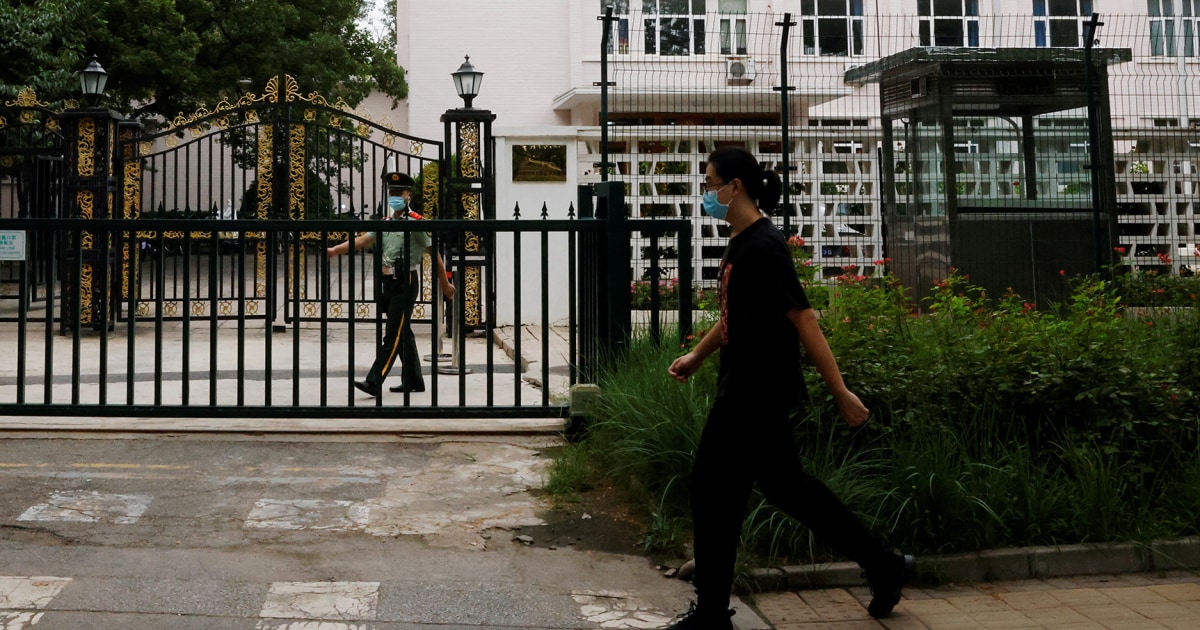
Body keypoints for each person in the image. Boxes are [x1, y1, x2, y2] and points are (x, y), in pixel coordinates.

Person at [663, 147, 914, 629]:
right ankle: (884, 565)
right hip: (747, 387)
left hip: (756, 391)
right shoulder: (742, 241)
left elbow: (804, 318)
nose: (706, 193)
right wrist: (698, 355)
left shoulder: (765, 246)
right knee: (787, 489)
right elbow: (736, 315)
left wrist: (840, 392)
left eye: (710, 183)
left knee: (712, 490)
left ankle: (712, 614)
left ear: (735, 186)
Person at [326, 173, 455, 398]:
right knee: (402, 332)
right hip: (388, 281)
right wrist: (336, 250)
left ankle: (374, 381)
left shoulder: (416, 223)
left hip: (406, 280)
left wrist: (444, 284)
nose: (394, 196)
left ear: (408, 195)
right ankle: (414, 380)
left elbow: (433, 253)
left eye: (399, 193)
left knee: (393, 333)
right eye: (392, 193)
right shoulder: (385, 222)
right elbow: (363, 240)